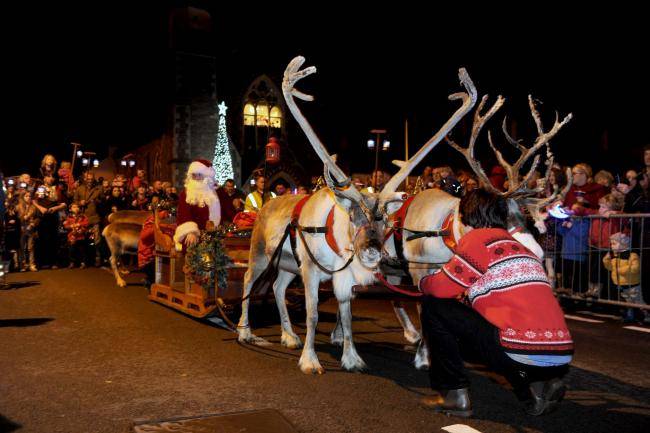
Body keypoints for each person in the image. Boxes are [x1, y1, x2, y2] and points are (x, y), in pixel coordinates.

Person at [418, 189, 572, 417]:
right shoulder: (521, 247)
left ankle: (453, 395)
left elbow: (441, 287)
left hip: (518, 348)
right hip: (560, 353)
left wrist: (423, 283)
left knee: (434, 307)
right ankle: (535, 385)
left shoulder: (478, 239)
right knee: (501, 329)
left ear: (464, 217)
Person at [173, 159, 221, 250]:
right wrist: (191, 231)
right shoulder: (186, 194)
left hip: (214, 232)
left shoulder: (215, 193)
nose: (196, 178)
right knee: (191, 243)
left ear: (207, 176)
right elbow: (184, 214)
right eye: (194, 175)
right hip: (194, 232)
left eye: (199, 174)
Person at [603, 232, 648, 324]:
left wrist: (620, 270)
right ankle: (630, 316)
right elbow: (610, 268)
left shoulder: (632, 256)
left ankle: (646, 315)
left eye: (614, 243)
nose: (612, 246)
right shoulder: (615, 257)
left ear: (623, 244)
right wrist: (606, 260)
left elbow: (635, 268)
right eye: (611, 244)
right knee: (627, 302)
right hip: (621, 284)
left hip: (632, 284)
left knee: (638, 301)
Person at [16, 191, 39, 272]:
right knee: (22, 248)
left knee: (30, 248)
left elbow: (37, 218)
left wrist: (33, 224)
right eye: (26, 196)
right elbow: (16, 218)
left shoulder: (34, 207)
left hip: (30, 229)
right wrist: (22, 221)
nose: (28, 198)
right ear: (23, 197)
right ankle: (23, 265)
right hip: (21, 229)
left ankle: (32, 264)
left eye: (29, 196)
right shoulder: (18, 207)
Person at [63, 202, 89, 269]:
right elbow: (66, 225)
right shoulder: (68, 217)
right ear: (70, 209)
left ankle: (83, 262)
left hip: (81, 236)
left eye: (77, 207)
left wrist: (79, 224)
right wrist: (71, 226)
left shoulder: (83, 216)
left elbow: (86, 223)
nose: (76, 208)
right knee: (71, 250)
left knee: (82, 250)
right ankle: (72, 262)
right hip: (72, 237)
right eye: (74, 207)